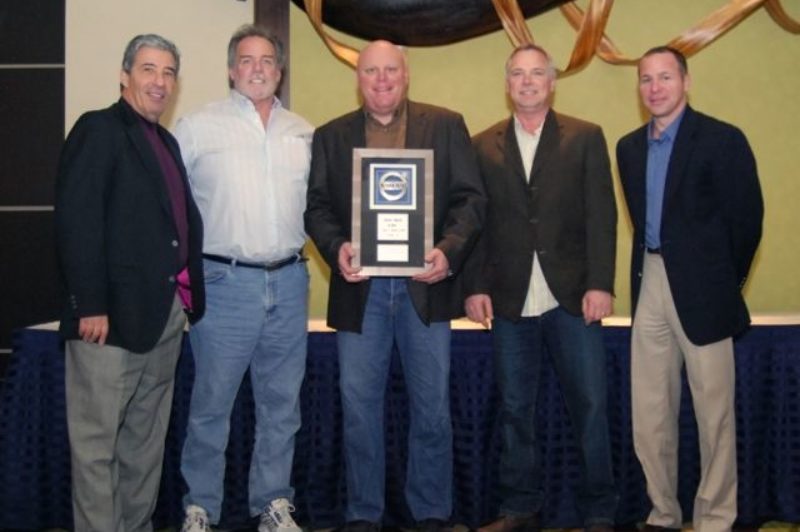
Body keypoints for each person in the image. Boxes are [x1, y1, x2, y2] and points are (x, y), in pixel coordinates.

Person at [304, 40, 485, 532]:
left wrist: (447, 251)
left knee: (432, 407)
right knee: (358, 406)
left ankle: (430, 511)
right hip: (360, 291)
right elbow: (316, 207)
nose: (381, 80)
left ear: (406, 75)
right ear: (357, 78)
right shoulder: (331, 136)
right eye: (370, 72)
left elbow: (471, 200)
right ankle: (364, 512)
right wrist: (337, 246)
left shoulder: (445, 125)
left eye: (390, 71)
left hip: (424, 290)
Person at [463, 44, 618, 532]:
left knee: (590, 406)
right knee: (514, 410)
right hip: (509, 300)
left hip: (573, 296)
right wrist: (473, 286)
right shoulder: (481, 143)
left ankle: (598, 512)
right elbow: (474, 223)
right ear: (506, 83)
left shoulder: (586, 138)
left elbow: (602, 217)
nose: (527, 82)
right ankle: (519, 508)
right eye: (517, 74)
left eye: (536, 74)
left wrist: (600, 283)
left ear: (552, 82)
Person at [54, 34, 205, 532]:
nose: (158, 81)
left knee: (143, 446)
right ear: (124, 75)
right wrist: (89, 305)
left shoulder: (165, 141)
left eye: (167, 72)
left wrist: (185, 304)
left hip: (162, 318)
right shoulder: (99, 130)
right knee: (97, 449)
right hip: (109, 321)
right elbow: (77, 222)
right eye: (147, 69)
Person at [616, 46, 763, 532]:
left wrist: (724, 283)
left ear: (686, 81)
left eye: (664, 78)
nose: (655, 88)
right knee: (650, 414)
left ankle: (716, 519)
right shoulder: (629, 148)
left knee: (713, 416)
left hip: (705, 292)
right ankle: (663, 513)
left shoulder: (722, 140)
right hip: (650, 284)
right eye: (645, 80)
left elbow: (747, 223)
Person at [174, 25, 313, 532]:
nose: (258, 68)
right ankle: (200, 507)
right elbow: (168, 204)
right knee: (212, 403)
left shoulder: (303, 132)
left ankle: (273, 503)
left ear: (279, 70)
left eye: (268, 60)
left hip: (291, 281)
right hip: (225, 283)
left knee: (282, 405)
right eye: (247, 60)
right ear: (232, 69)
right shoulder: (196, 127)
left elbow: (322, 211)